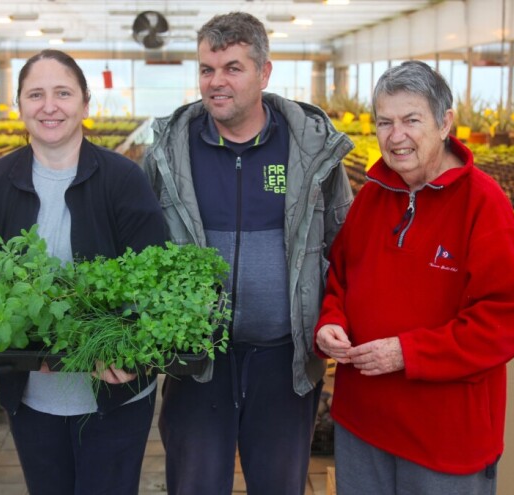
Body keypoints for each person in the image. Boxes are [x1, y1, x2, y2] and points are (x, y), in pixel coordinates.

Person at [142, 12, 354, 495]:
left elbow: (344, 243)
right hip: (197, 361)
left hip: (283, 360)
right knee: (194, 483)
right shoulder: (168, 155)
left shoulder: (308, 150)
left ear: (264, 72)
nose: (216, 82)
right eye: (206, 69)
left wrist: (336, 318)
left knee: (279, 484)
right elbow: (141, 248)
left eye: (232, 68)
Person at [314, 60, 514, 494]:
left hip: (444, 438)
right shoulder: (374, 196)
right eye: (384, 122)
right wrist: (330, 321)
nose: (395, 136)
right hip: (364, 424)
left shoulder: (483, 205)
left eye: (411, 120)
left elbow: (506, 321)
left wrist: (408, 353)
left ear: (445, 122)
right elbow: (338, 274)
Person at [0, 49, 166, 495]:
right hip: (33, 395)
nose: (49, 106)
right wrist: (12, 347)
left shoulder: (122, 178)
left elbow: (154, 280)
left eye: (63, 93)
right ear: (19, 106)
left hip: (116, 392)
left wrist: (131, 351)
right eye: (36, 94)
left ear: (85, 104)